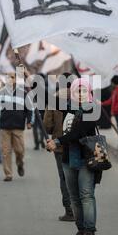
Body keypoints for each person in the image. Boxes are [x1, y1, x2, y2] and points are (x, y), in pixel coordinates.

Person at [46, 78, 101, 235]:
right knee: (74, 197)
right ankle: (81, 229)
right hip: (68, 158)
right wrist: (26, 75)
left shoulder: (92, 109)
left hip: (86, 159)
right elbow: (45, 97)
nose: (80, 94)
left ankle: (90, 232)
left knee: (86, 196)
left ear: (89, 93)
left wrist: (56, 141)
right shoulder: (68, 108)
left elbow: (77, 133)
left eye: (84, 90)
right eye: (77, 90)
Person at [0, 72, 34, 181]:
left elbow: (30, 109)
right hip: (4, 128)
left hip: (18, 128)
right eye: (7, 78)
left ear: (16, 80)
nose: (10, 80)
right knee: (5, 152)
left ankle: (20, 164)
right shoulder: (0, 94)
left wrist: (29, 122)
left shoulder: (23, 94)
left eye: (12, 77)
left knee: (20, 151)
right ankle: (8, 174)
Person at [43, 73, 75, 222]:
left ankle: (69, 211)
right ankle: (80, 209)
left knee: (64, 178)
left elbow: (48, 127)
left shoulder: (53, 100)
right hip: (78, 145)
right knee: (78, 177)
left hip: (60, 146)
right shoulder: (82, 97)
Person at [101, 75, 118, 149]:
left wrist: (115, 110)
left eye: (112, 82)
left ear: (114, 82)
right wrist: (102, 103)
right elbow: (111, 100)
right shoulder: (115, 90)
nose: (111, 84)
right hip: (117, 112)